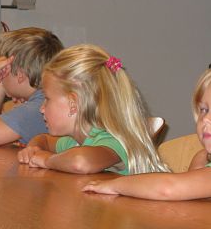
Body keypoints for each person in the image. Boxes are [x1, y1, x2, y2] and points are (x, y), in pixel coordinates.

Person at [17, 44, 169, 175]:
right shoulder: (75, 141)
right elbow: (43, 139)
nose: (42, 108)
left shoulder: (113, 140)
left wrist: (47, 160)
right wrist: (34, 149)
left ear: (73, 104)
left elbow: (80, 162)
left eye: (47, 99)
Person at [83, 69, 211, 200]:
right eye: (204, 110)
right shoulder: (202, 159)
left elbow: (168, 188)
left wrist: (115, 185)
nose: (206, 118)